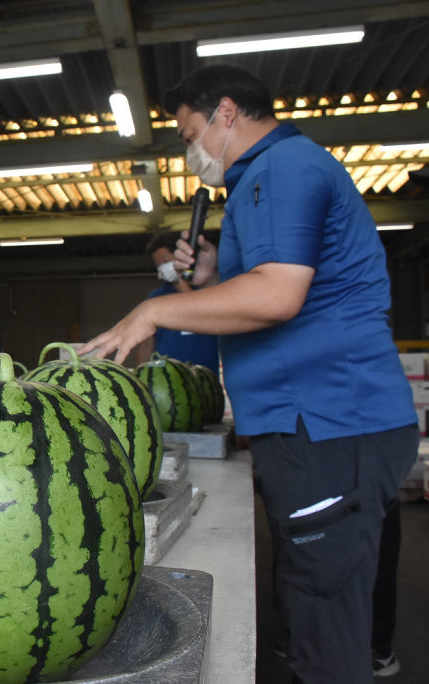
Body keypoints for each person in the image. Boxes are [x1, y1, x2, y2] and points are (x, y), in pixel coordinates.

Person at [78, 64, 417, 682]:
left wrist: (155, 309)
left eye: (188, 134)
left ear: (226, 113)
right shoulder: (263, 180)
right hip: (315, 423)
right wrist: (212, 274)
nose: (189, 152)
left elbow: (277, 296)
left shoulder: (282, 168)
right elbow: (273, 286)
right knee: (314, 600)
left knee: (326, 624)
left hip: (329, 420)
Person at [135, 231, 220, 373]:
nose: (162, 267)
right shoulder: (157, 297)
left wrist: (183, 278)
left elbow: (196, 310)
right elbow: (146, 344)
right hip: (165, 375)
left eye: (165, 261)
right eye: (158, 264)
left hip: (206, 372)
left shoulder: (208, 288)